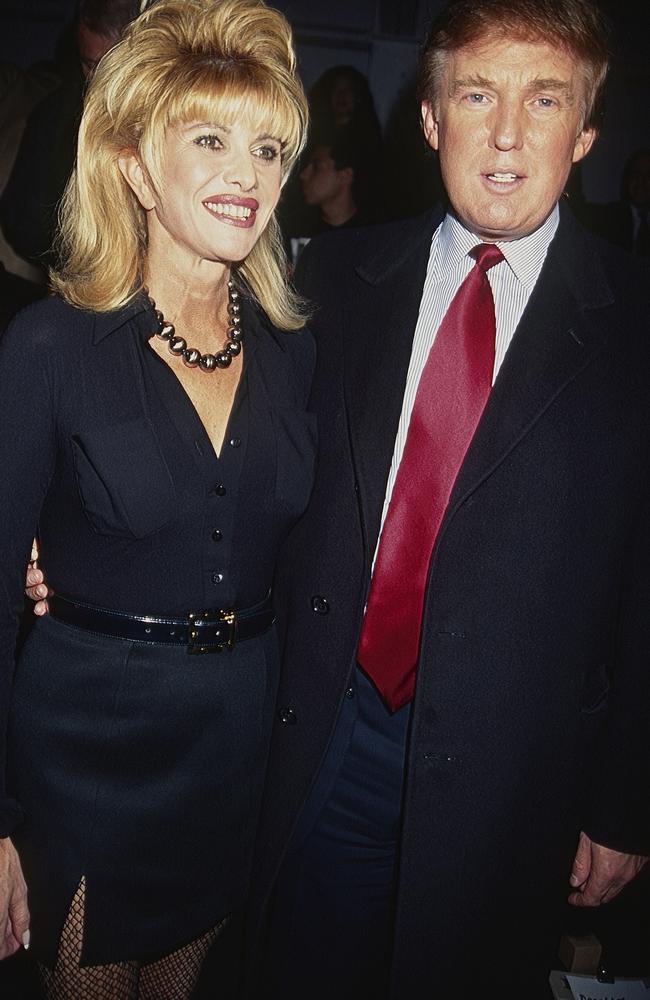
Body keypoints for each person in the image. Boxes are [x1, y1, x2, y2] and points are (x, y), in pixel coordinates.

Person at [239, 1, 650, 997]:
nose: (506, 131)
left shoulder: (634, 324)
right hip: (324, 732)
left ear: (584, 131)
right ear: (430, 119)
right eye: (476, 93)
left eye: (542, 98)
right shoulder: (330, 278)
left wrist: (625, 801)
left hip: (517, 774)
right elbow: (254, 477)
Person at [0, 1, 313, 998]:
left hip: (234, 748)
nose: (247, 174)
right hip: (84, 750)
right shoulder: (50, 349)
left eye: (269, 147)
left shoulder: (295, 354)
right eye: (212, 139)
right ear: (134, 165)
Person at [0, 0, 143, 273]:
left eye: (109, 66)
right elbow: (23, 224)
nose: (98, 81)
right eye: (89, 65)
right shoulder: (55, 116)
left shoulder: (170, 120)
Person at [584, 148, 650, 257]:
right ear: (627, 178)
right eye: (636, 173)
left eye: (648, 175)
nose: (641, 181)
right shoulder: (606, 218)